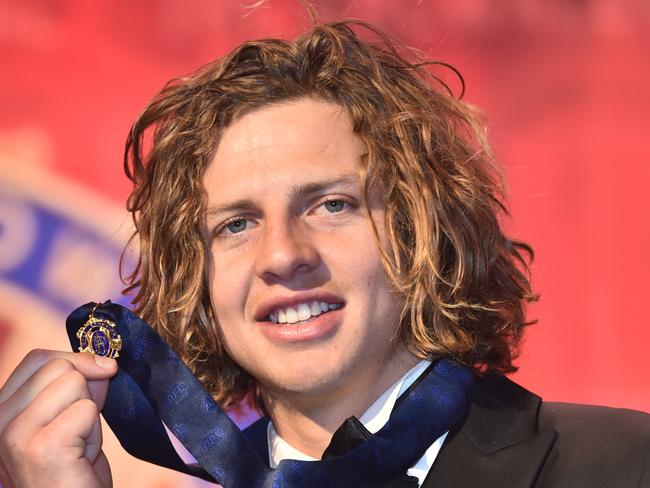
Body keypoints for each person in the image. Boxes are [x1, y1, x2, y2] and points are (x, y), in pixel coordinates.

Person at [1, 18, 649, 488]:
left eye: (330, 205)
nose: (282, 255)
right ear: (198, 284)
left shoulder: (622, 464)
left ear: (420, 231)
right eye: (236, 224)